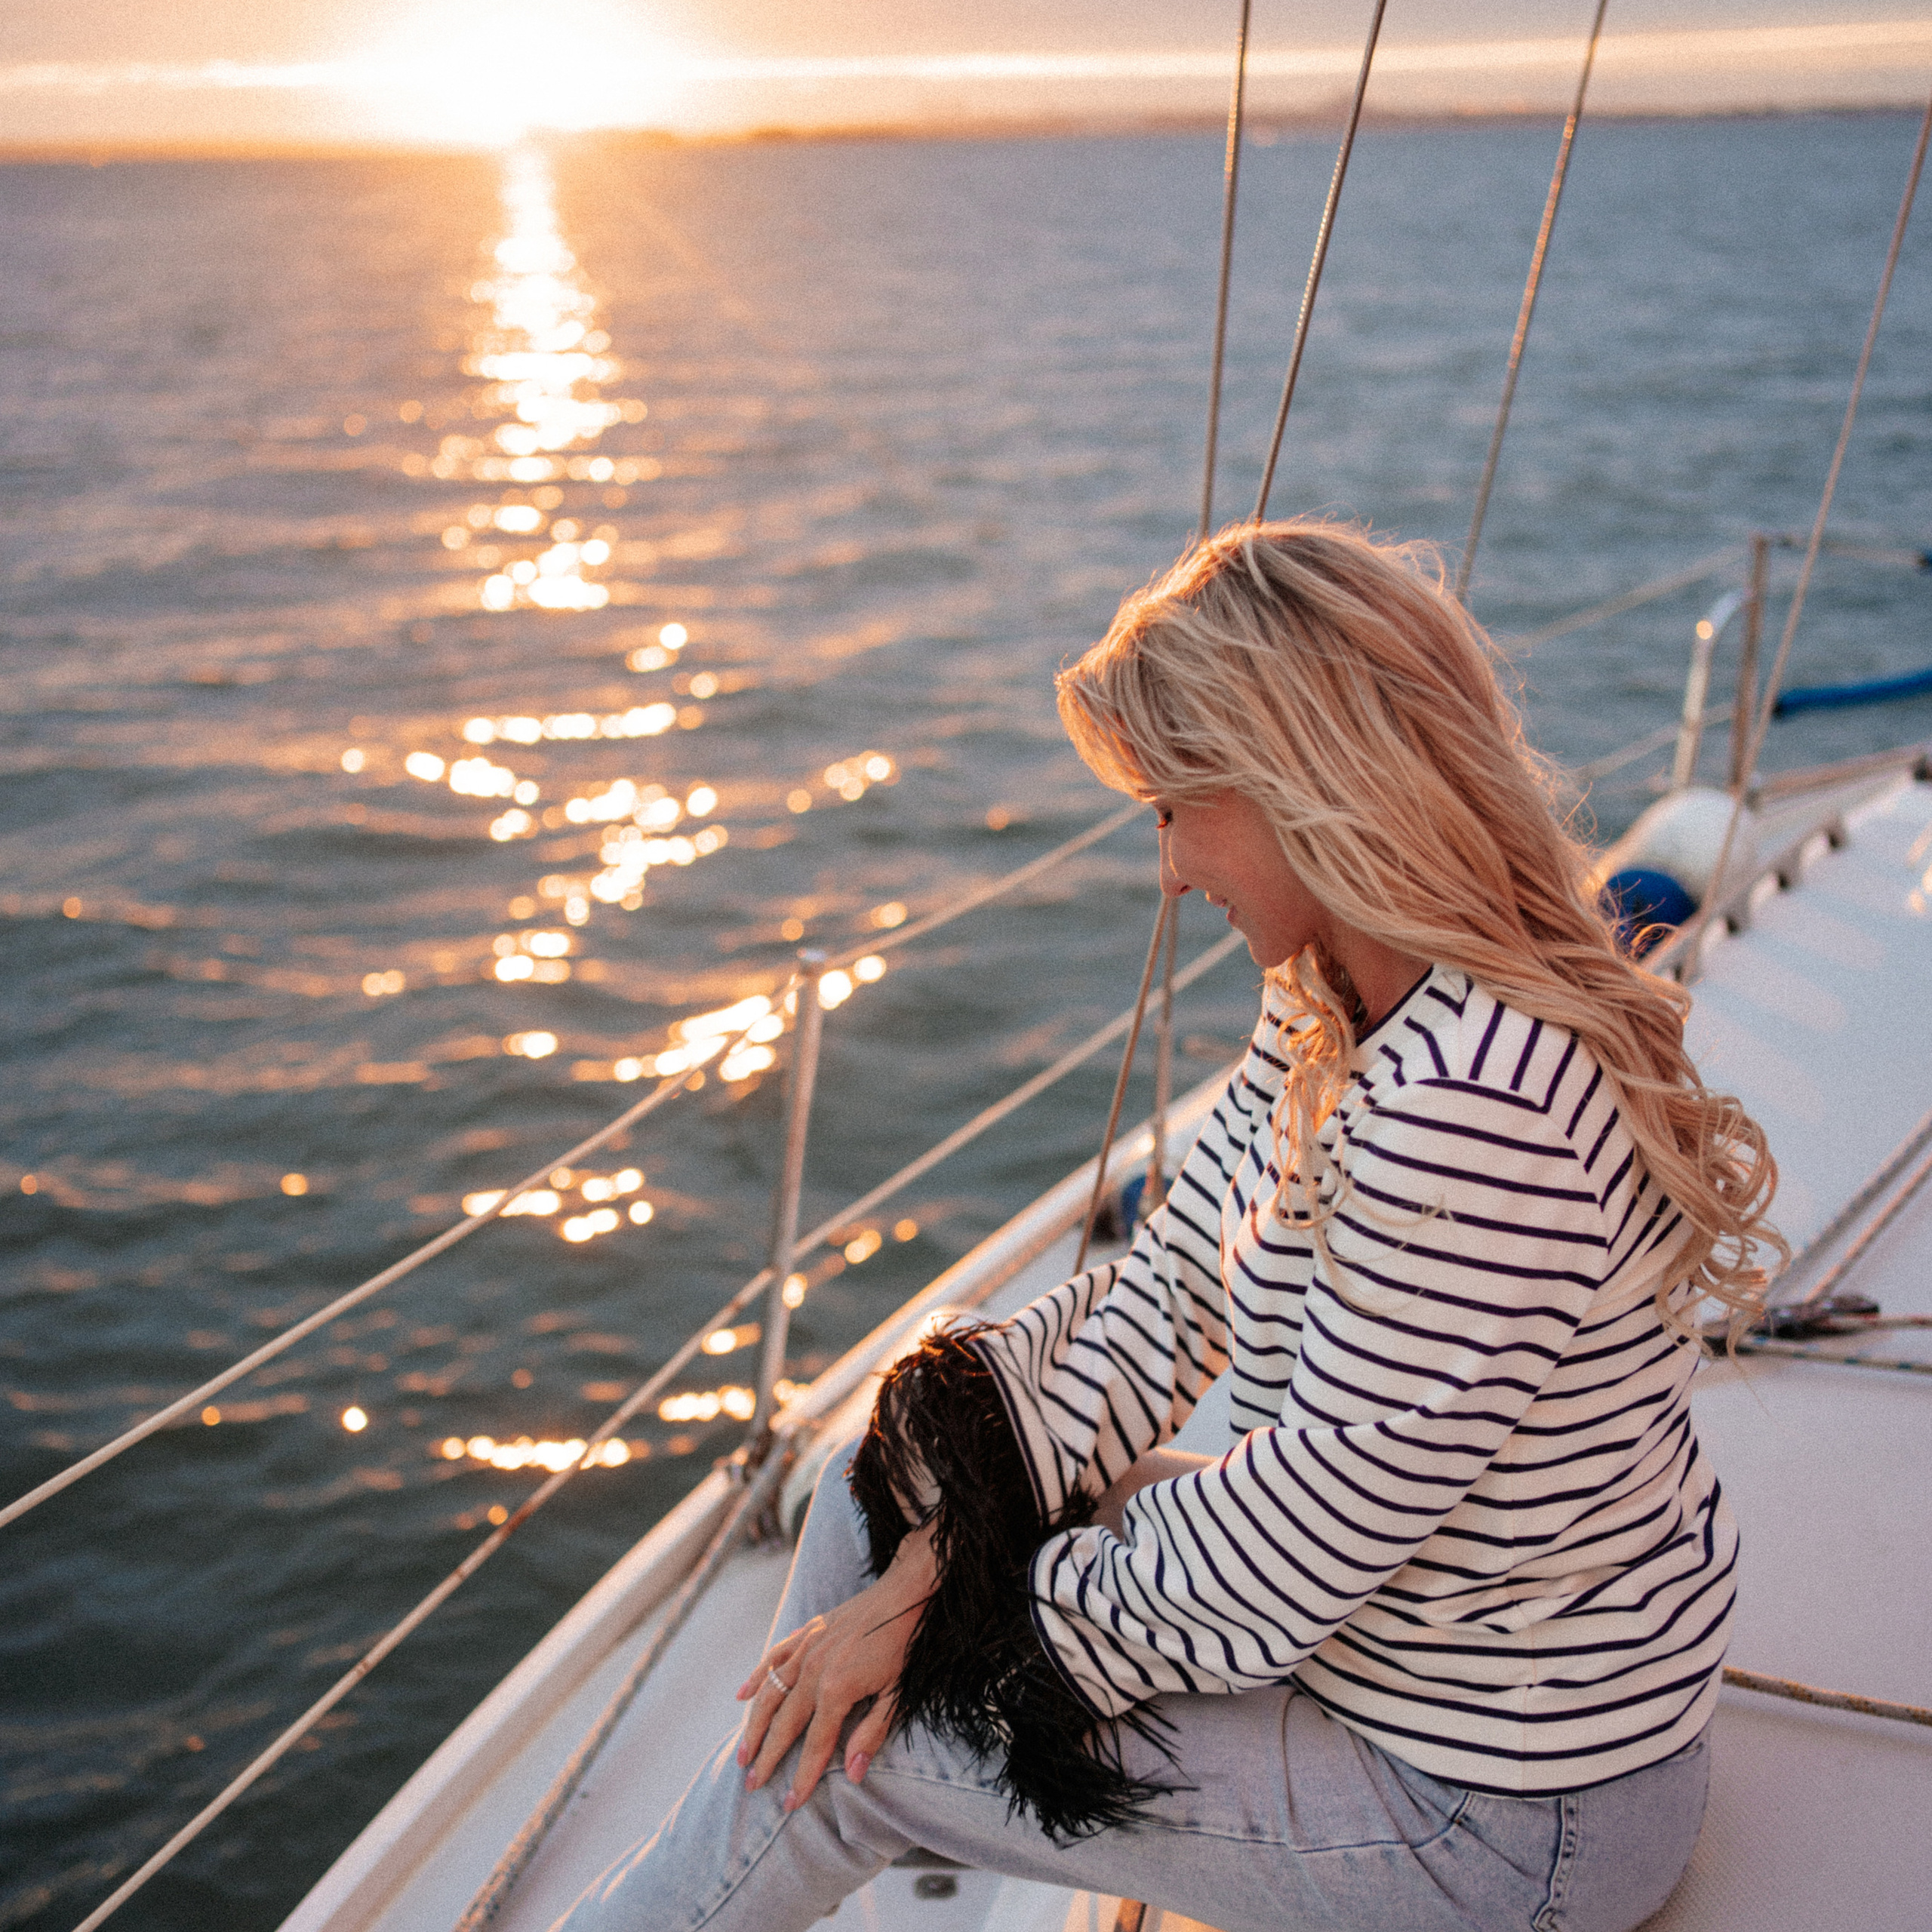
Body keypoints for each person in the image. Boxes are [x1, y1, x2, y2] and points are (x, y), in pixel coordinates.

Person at [555, 520, 1783, 1932]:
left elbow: (1301, 1533)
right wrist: (937, 1541)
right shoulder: (1338, 995)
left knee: (854, 1762)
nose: (1171, 872)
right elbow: (1171, 1296)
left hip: (1509, 1818)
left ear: (1299, 786)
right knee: (868, 1477)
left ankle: (741, 1850)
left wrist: (929, 1624)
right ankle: (759, 1833)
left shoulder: (1471, 1109)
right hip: (1398, 1667)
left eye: (1173, 810)